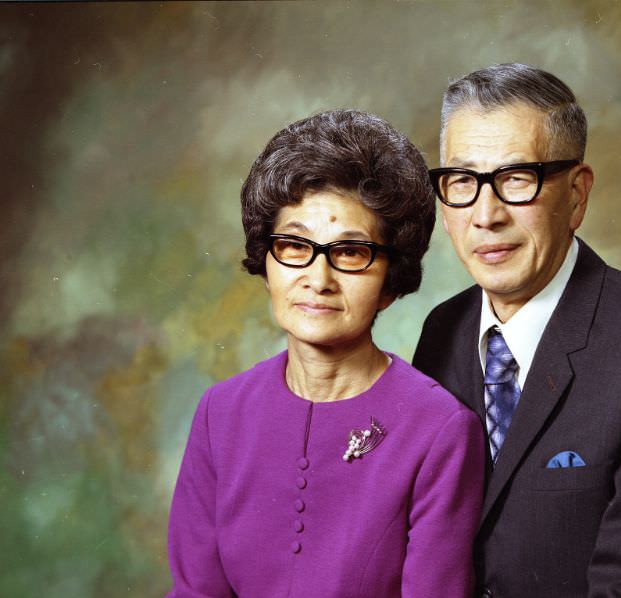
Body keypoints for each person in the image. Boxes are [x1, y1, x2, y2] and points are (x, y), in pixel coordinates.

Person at [413, 64, 621, 597]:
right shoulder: (442, 332)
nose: (485, 214)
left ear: (577, 194)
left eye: (518, 178)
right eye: (463, 181)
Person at [166, 109, 485, 598]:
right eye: (294, 245)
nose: (318, 279)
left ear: (390, 281)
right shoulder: (220, 413)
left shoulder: (440, 429)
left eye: (351, 252)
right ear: (266, 259)